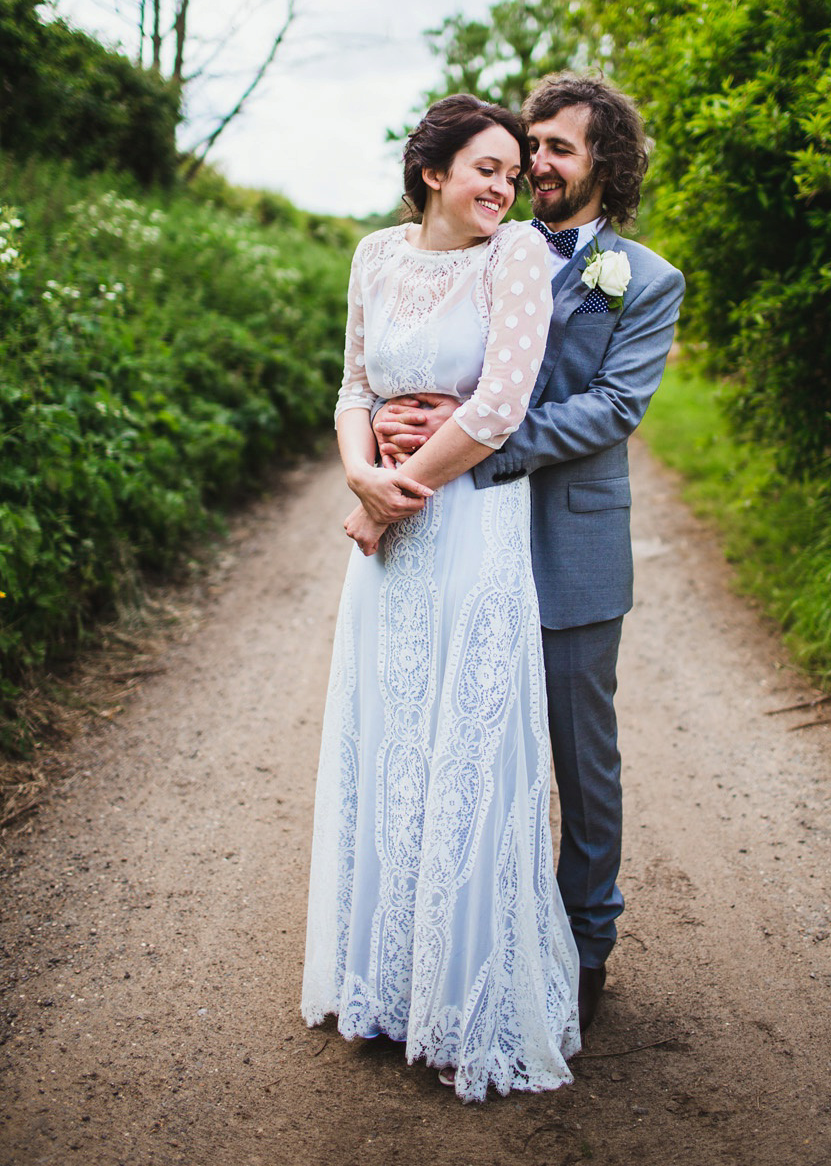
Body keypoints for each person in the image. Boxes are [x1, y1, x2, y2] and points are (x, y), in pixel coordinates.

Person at [373, 74, 685, 1034]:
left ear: (606, 166)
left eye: (558, 149)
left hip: (570, 545)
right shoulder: (482, 245)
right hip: (461, 539)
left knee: (580, 761)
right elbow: (418, 346)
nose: (537, 164)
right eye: (530, 144)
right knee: (460, 745)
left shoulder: (646, 279)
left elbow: (613, 410)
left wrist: (477, 436)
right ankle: (468, 944)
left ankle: (587, 945)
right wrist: (401, 412)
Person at [301, 95, 580, 1103]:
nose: (507, 188)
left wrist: (393, 502)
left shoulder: (518, 259)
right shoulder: (376, 256)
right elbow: (350, 391)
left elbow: (501, 409)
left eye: (515, 172)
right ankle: (386, 988)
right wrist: (360, 480)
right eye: (487, 168)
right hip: (390, 545)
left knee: (461, 746)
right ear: (432, 172)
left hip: (466, 534)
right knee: (390, 743)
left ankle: (467, 1002)